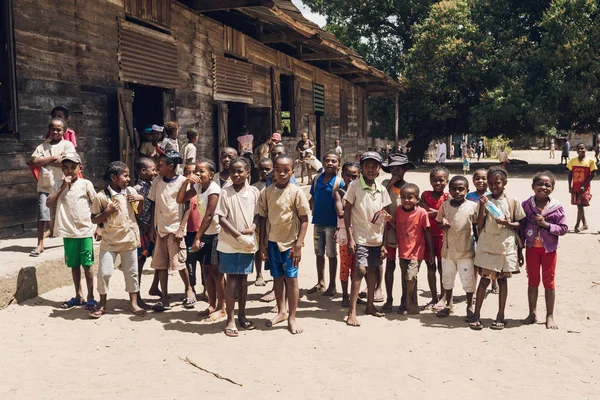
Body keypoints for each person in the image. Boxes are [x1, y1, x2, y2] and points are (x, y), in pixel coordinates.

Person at [259, 154, 310, 334]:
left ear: (292, 172)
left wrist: (298, 245)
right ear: (273, 171)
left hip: (290, 244)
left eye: (286, 171)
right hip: (273, 242)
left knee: (292, 279)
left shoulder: (296, 192)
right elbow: (263, 219)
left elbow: (304, 220)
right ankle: (281, 311)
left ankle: (292, 317)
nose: (281, 174)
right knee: (277, 278)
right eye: (278, 170)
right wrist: (263, 245)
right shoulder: (267, 192)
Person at [470, 167, 525, 331]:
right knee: (484, 281)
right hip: (487, 246)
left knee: (502, 281)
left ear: (505, 183)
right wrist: (482, 208)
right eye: (491, 182)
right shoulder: (484, 200)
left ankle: (500, 315)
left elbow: (519, 224)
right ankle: (476, 315)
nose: (493, 186)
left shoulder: (512, 201)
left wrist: (507, 223)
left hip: (505, 247)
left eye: (497, 183)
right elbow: (478, 225)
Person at [90, 161, 146, 318]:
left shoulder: (130, 191)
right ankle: (102, 302)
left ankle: (133, 303)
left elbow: (138, 213)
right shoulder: (101, 197)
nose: (128, 178)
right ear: (114, 178)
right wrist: (107, 212)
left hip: (129, 240)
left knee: (132, 273)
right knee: (104, 273)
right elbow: (94, 219)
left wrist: (140, 200)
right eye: (125, 175)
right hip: (110, 242)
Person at [344, 151, 391, 327]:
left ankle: (370, 305)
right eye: (367, 166)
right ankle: (352, 311)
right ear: (362, 168)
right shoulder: (355, 185)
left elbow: (385, 217)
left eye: (374, 166)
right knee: (360, 271)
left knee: (372, 271)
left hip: (376, 238)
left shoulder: (382, 189)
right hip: (360, 237)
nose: (370, 170)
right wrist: (350, 238)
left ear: (379, 169)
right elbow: (347, 211)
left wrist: (384, 243)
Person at [45, 152, 97, 310]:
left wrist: (99, 227)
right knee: (74, 265)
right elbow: (48, 203)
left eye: (73, 167)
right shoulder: (58, 185)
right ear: (62, 168)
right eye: (66, 167)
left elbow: (95, 204)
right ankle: (78, 295)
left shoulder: (86, 184)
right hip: (68, 232)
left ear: (79, 168)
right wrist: (62, 187)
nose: (69, 171)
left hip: (85, 230)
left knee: (87, 266)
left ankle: (91, 297)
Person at [216, 157, 261, 337]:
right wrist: (238, 236)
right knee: (231, 279)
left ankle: (242, 315)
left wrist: (252, 228)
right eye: (233, 171)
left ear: (248, 173)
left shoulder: (254, 192)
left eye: (240, 171)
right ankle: (230, 319)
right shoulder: (224, 193)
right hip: (229, 243)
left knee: (243, 280)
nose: (236, 174)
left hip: (248, 243)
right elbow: (222, 218)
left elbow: (258, 215)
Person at [520, 172, 568, 329]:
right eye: (540, 184)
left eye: (548, 185)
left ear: (552, 188)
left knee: (549, 281)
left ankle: (550, 315)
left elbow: (563, 228)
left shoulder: (556, 207)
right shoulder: (526, 205)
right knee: (532, 281)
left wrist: (546, 225)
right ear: (533, 186)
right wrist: (520, 248)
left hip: (549, 250)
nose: (543, 187)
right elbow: (521, 226)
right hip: (531, 248)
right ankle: (532, 313)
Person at [148, 150, 194, 312]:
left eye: (160, 165)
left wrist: (182, 228)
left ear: (171, 166)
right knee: (160, 265)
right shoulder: (157, 181)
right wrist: (152, 228)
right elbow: (154, 203)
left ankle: (189, 290)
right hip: (161, 228)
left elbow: (187, 206)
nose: (157, 168)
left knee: (179, 263)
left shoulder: (182, 181)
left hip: (175, 229)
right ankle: (165, 296)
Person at [178, 160, 225, 320]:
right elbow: (180, 199)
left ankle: (222, 307)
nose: (197, 174)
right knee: (206, 270)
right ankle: (211, 305)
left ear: (211, 174)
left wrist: (197, 237)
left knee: (217, 272)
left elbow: (210, 216)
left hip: (216, 234)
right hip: (205, 233)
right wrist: (186, 182)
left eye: (201, 171)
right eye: (195, 171)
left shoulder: (214, 190)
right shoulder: (198, 187)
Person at [29, 117, 76, 256]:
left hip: (63, 183)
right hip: (46, 184)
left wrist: (44, 161)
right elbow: (33, 161)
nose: (55, 131)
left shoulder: (68, 145)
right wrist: (53, 158)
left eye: (58, 129)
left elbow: (68, 162)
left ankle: (75, 238)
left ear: (64, 131)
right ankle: (40, 244)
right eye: (52, 129)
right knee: (42, 213)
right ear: (49, 130)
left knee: (70, 211)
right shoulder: (42, 146)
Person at [435, 176, 477, 320]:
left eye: (461, 189)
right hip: (448, 251)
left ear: (467, 190)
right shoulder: (445, 205)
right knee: (447, 278)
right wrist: (443, 225)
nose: (457, 192)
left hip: (466, 250)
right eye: (454, 189)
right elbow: (438, 222)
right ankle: (448, 304)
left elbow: (477, 226)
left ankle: (470, 306)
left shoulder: (472, 206)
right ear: (449, 190)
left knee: (468, 280)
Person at [381, 153, 415, 314]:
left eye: (399, 168)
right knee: (389, 265)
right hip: (388, 231)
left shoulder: (409, 187)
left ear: (405, 170)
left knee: (404, 267)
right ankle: (389, 299)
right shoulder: (384, 184)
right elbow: (380, 202)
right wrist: (389, 185)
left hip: (404, 233)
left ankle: (404, 300)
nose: (396, 171)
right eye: (393, 168)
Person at [307, 151, 344, 297]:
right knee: (318, 253)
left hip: (332, 225)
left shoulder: (338, 182)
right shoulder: (317, 179)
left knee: (331, 254)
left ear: (338, 165)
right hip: (318, 223)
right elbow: (312, 199)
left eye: (334, 161)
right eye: (327, 161)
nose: (330, 163)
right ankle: (320, 281)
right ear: (322, 163)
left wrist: (339, 227)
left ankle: (332, 284)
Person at [396, 183, 434, 314]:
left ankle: (408, 300)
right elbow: (396, 227)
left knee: (411, 277)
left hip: (417, 251)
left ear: (417, 199)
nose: (406, 200)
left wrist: (431, 252)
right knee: (405, 278)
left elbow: (427, 232)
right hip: (402, 251)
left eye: (410, 197)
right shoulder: (398, 210)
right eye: (403, 197)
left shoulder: (422, 212)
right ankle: (408, 303)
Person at [420, 166, 450, 310]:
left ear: (447, 181)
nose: (438, 183)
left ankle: (443, 297)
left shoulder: (448, 197)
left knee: (443, 268)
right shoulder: (425, 195)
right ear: (430, 181)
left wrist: (433, 213)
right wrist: (439, 212)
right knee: (430, 267)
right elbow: (423, 210)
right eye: (435, 180)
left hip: (443, 237)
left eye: (441, 180)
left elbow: (448, 214)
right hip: (427, 236)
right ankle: (433, 297)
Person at [133, 157, 161, 303]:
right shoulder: (137, 189)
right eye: (153, 169)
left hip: (151, 229)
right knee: (139, 263)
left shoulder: (152, 185)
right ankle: (136, 295)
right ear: (143, 171)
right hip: (142, 232)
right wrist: (144, 227)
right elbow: (134, 212)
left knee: (159, 260)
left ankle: (155, 286)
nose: (155, 172)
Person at [466, 169, 497, 294]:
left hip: (488, 232)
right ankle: (473, 289)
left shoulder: (492, 195)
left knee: (490, 260)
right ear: (473, 181)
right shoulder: (469, 197)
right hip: (473, 233)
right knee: (475, 261)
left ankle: (494, 282)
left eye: (484, 178)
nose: (481, 181)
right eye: (477, 178)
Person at [334, 161, 360, 307]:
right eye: (348, 175)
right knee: (345, 265)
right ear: (342, 175)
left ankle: (354, 295)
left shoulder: (360, 191)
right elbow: (340, 213)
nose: (350, 179)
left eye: (354, 176)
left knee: (358, 266)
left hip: (360, 233)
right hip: (345, 234)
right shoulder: (339, 192)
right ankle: (345, 295)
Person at [252, 158, 273, 287]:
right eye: (262, 169)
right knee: (258, 248)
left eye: (267, 169)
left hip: (273, 222)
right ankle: (259, 274)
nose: (265, 172)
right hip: (259, 222)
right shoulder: (254, 187)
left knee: (272, 249)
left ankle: (274, 275)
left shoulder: (275, 185)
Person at [567, 143, 596, 232]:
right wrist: (570, 187)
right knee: (579, 206)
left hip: (585, 187)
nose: (580, 150)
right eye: (578, 149)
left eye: (582, 148)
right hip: (575, 187)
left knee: (580, 205)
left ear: (586, 149)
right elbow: (570, 174)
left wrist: (584, 185)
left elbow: (593, 174)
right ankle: (585, 224)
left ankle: (576, 225)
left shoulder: (590, 161)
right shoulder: (572, 161)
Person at [183, 163, 201, 297]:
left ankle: (207, 289)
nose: (193, 175)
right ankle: (191, 287)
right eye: (189, 172)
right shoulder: (183, 192)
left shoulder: (204, 190)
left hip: (202, 233)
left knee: (205, 261)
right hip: (188, 233)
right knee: (190, 260)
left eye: (196, 172)